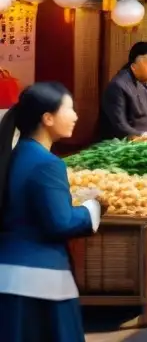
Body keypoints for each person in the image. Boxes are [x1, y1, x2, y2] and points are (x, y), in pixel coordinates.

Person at [0, 82, 102, 341]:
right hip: (40, 280)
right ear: (47, 118)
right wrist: (94, 207)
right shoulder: (47, 163)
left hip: (11, 274)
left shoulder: (17, 154)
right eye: (69, 109)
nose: (76, 116)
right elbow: (61, 223)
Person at [99, 41, 147, 140]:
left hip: (143, 140)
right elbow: (120, 125)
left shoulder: (146, 82)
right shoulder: (118, 86)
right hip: (119, 144)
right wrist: (145, 137)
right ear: (134, 66)